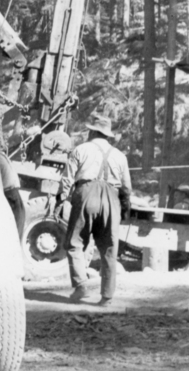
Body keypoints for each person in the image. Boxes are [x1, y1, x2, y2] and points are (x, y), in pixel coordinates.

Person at [60, 113, 132, 306]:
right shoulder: (120, 156)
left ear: (91, 131)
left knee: (75, 243)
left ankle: (81, 285)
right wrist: (123, 208)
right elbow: (126, 187)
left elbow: (67, 180)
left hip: (86, 193)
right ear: (107, 135)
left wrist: (63, 200)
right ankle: (107, 297)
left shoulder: (80, 149)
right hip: (112, 197)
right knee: (109, 247)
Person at [0, 151, 25, 239]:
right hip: (10, 194)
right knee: (16, 225)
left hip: (12, 192)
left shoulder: (0, 155)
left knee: (18, 223)